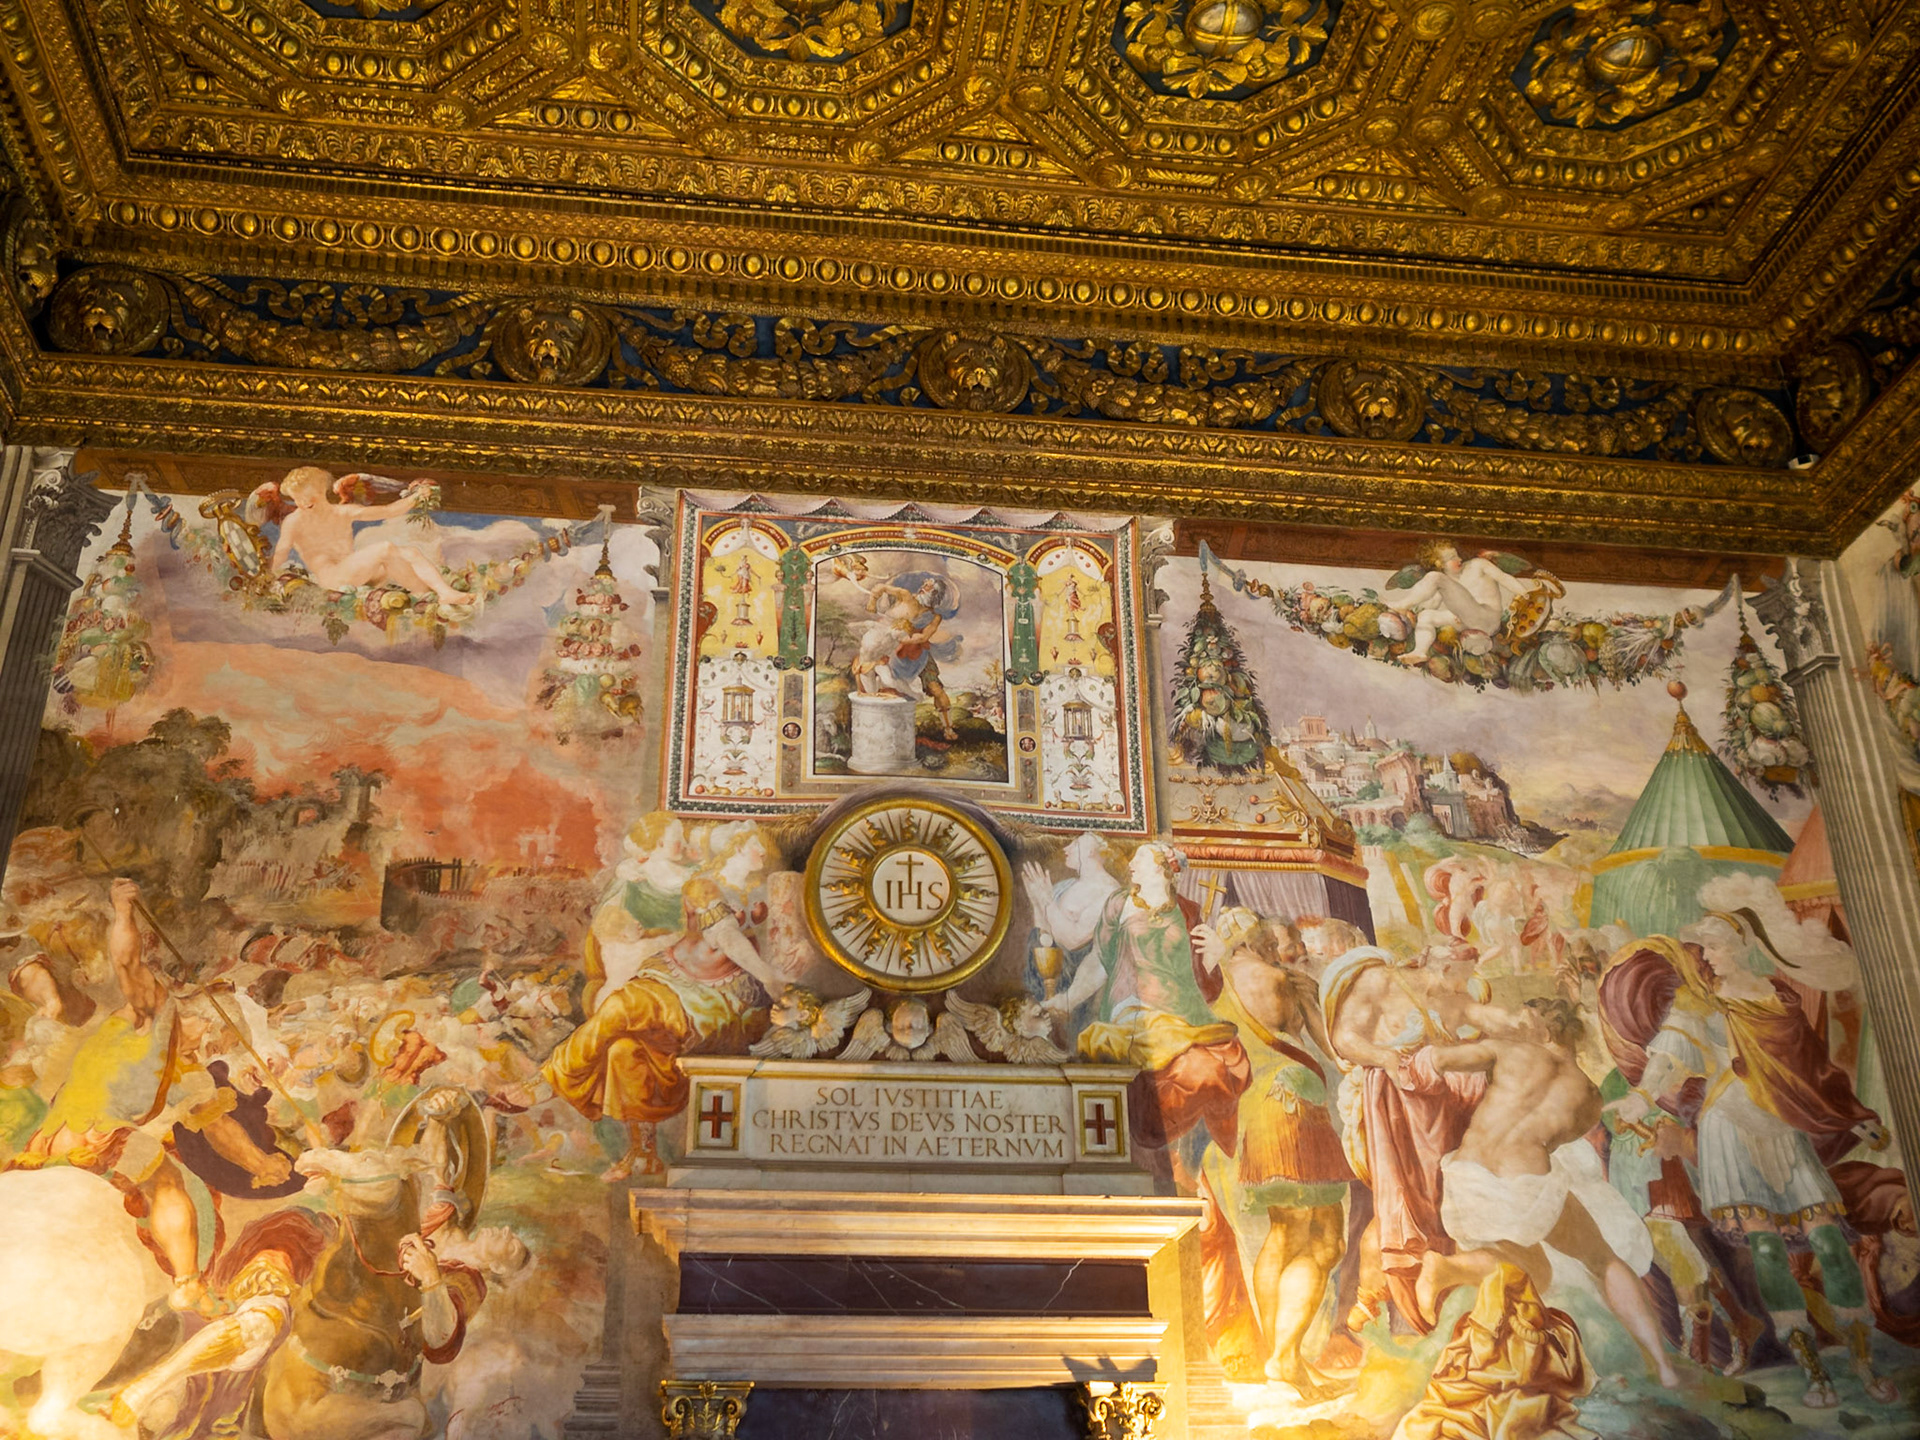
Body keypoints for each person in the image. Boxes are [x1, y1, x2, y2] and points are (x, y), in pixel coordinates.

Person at [1607, 912, 1897, 1407]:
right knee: (1765, 1250)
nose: (1708, 957)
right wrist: (1640, 1098)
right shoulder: (1699, 1000)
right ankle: (1813, 1373)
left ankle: (1862, 1360)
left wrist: (1851, 1114)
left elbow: (1811, 1068)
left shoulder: (1776, 996)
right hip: (1727, 1130)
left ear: (1741, 943)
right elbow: (1669, 1054)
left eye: (1715, 947)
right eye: (1703, 949)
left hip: (1780, 1126)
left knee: (1827, 1237)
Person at [1417, 1000, 1678, 1386]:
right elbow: (1555, 1141)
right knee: (1603, 1259)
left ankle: (1450, 1271)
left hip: (1467, 1176)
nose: (1516, 1024)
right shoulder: (1590, 1098)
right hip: (1524, 1186)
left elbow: (1434, 1061)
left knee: (1535, 1270)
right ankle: (1664, 1367)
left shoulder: (1507, 1050)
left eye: (1524, 1019)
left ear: (1542, 1028)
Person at [534, 828, 786, 1180]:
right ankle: (642, 1154)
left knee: (626, 1006)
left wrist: (771, 981)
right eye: (759, 844)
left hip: (725, 1000)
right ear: (739, 847)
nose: (764, 852)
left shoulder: (763, 891)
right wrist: (771, 978)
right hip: (677, 978)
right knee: (624, 1048)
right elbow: (725, 936)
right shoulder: (705, 886)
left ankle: (553, 1075)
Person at [1199, 908, 1352, 1398]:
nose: (1274, 945)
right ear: (1258, 940)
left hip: (1254, 1116)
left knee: (1284, 1234)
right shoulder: (1284, 981)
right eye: (1269, 938)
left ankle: (1279, 1355)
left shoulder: (1219, 987)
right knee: (1326, 1240)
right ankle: (1285, 1359)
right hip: (1297, 1108)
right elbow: (1336, 1050)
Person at [1072, 842, 1250, 1183]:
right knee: (1171, 1069)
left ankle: (1190, 1162)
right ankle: (1166, 1159)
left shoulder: (1187, 910)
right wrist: (1069, 995)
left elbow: (1203, 983)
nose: (1131, 864)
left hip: (1186, 1013)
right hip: (1133, 1009)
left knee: (1214, 1070)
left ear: (1161, 868)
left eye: (1139, 858)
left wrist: (1214, 956)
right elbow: (1104, 958)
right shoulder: (1118, 905)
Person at [272, 466, 475, 606]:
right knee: (385, 549)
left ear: (321, 491)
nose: (302, 503)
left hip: (359, 574)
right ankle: (428, 594)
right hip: (333, 579)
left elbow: (388, 511)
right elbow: (281, 552)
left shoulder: (343, 512)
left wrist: (417, 497)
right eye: (297, 498)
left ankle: (441, 593)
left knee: (410, 552)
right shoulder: (295, 521)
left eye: (307, 496)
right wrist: (271, 579)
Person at [1386, 543, 1545, 665]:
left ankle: (1402, 605)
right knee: (1426, 616)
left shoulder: (1477, 565)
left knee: (1435, 577)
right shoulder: (1446, 582)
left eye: (1457, 555)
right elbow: (1432, 604)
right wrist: (1415, 615)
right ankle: (1420, 651)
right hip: (1467, 622)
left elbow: (1504, 578)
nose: (1459, 559)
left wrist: (1526, 595)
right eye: (1452, 558)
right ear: (1439, 563)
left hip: (1487, 618)